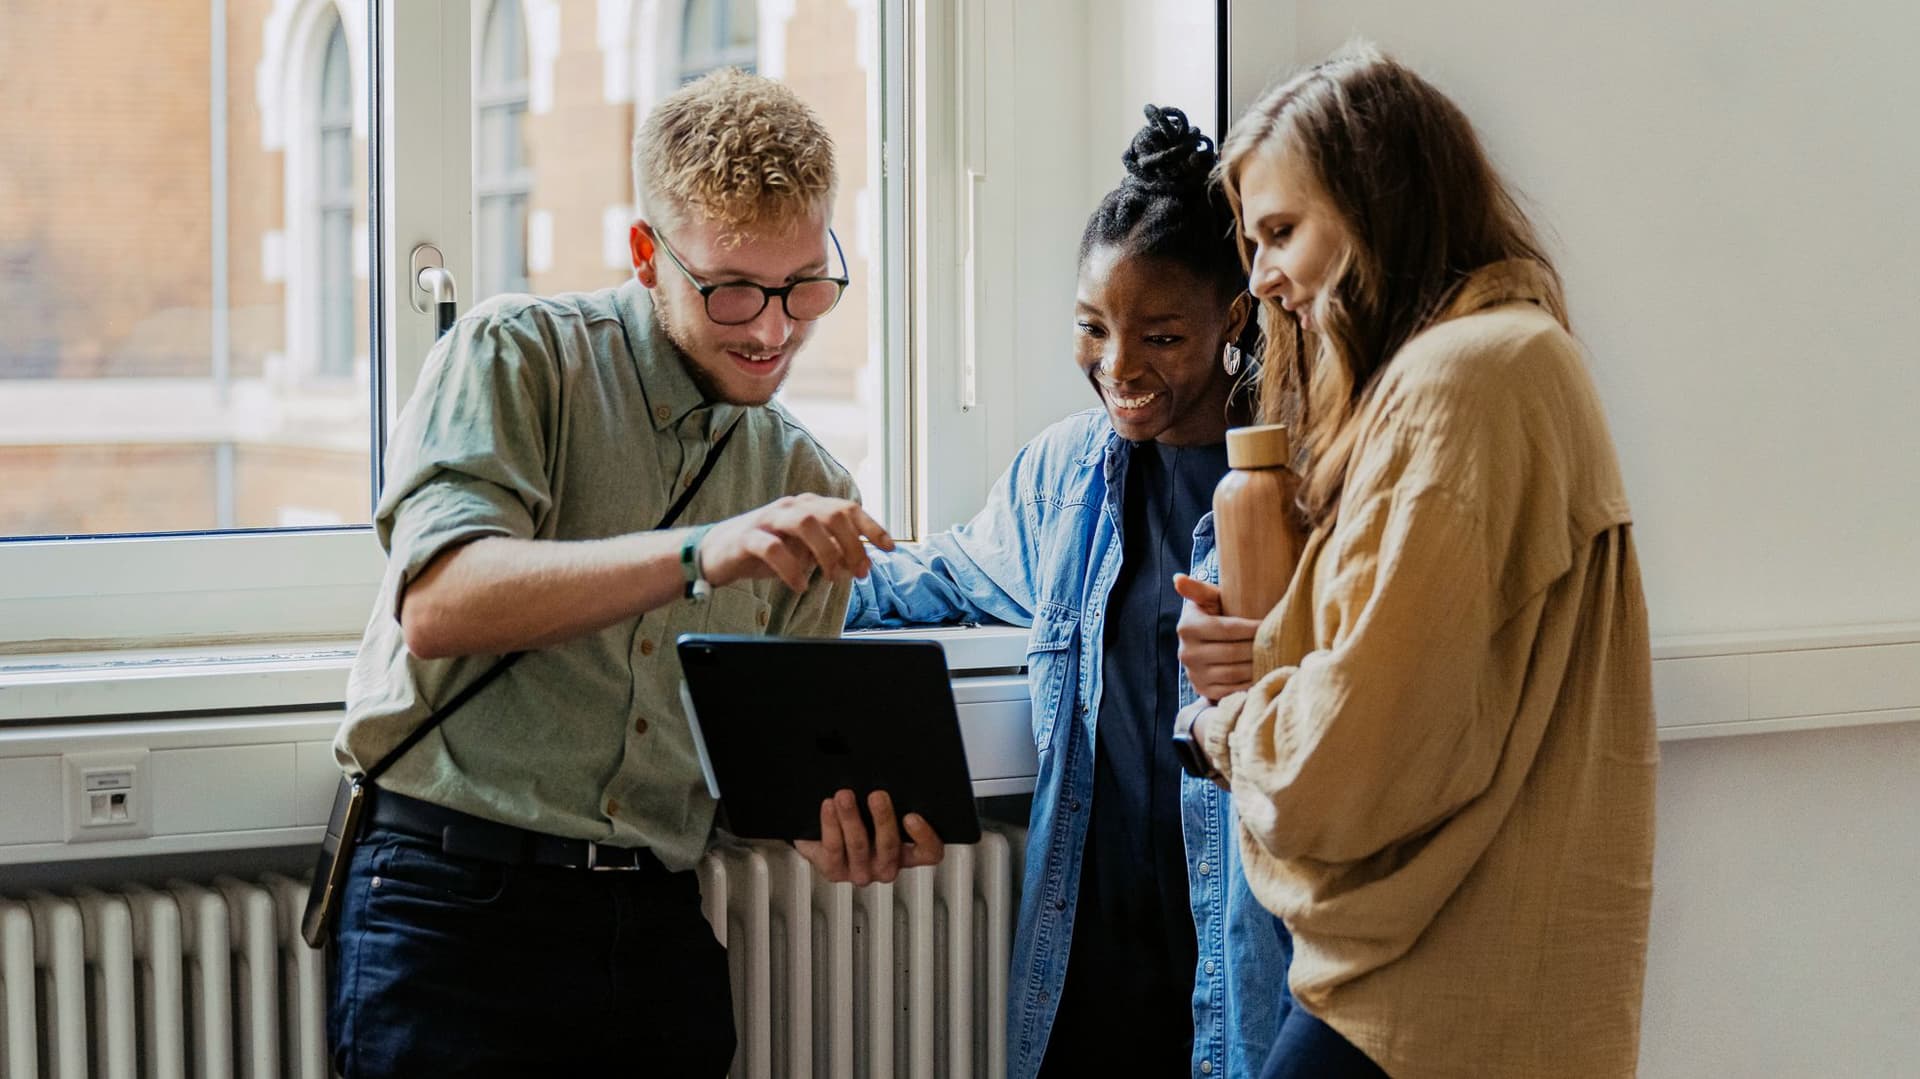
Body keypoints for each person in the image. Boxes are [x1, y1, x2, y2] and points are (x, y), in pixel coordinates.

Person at [326, 70, 935, 1077]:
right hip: (446, 900)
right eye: (734, 288)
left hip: (655, 923)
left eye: (804, 286)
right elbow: (438, 602)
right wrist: (703, 551)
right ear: (648, 253)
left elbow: (760, 770)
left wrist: (826, 831)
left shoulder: (807, 478)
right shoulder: (515, 355)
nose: (774, 328)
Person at [1175, 44, 1658, 1078]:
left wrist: (1219, 724)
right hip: (1498, 975)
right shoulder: (1513, 357)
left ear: (1375, 202)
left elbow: (1355, 751)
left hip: (1425, 992)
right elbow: (1431, 677)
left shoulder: (1457, 382)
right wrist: (1270, 648)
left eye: (1281, 233)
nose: (1259, 277)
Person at [846, 106, 1288, 1079]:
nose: (1119, 366)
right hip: (1087, 959)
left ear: (1235, 318)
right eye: (1092, 327)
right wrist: (763, 570)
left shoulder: (1290, 488)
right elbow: (940, 578)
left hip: (1241, 957)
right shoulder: (1065, 476)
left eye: (1162, 334)